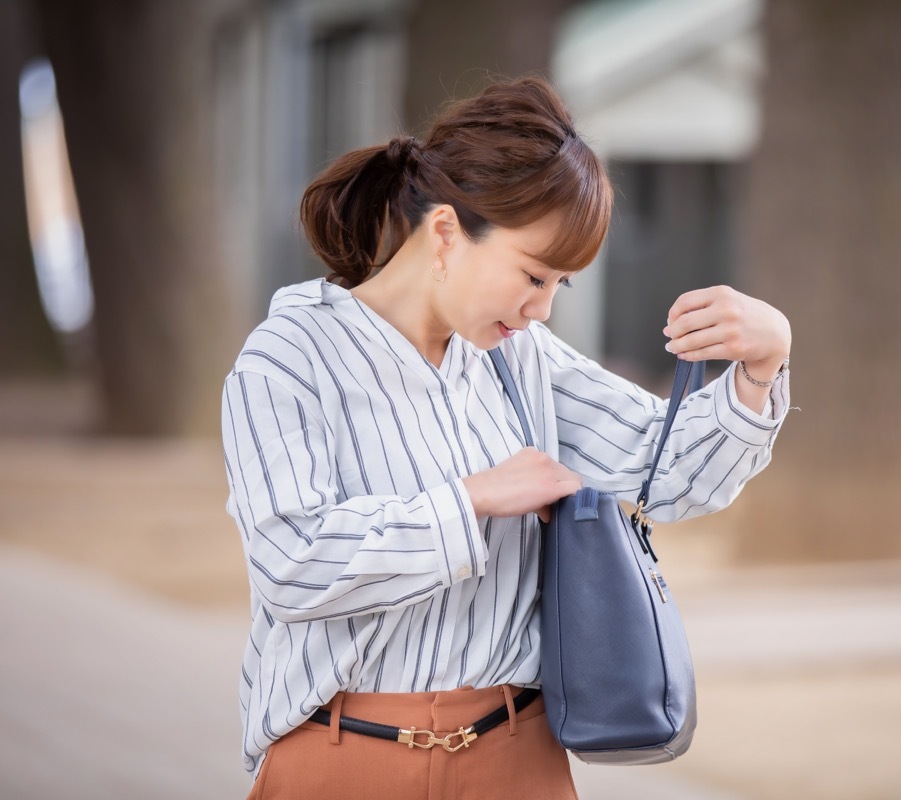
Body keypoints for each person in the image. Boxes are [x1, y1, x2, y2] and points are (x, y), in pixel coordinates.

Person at [221, 74, 792, 800]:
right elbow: (293, 560)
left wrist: (763, 362)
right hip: (339, 761)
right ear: (446, 232)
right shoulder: (289, 358)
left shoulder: (518, 357)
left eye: (562, 285)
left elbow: (668, 474)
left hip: (516, 761)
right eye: (533, 275)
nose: (542, 309)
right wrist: (473, 501)